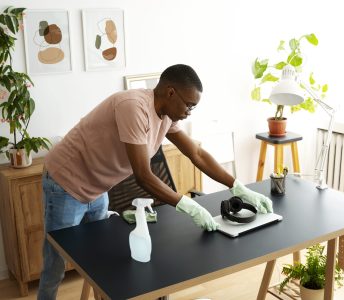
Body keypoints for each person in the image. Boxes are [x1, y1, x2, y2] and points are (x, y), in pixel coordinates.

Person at [37, 64, 273, 299]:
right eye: (189, 105)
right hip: (65, 183)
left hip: (99, 188)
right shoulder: (133, 107)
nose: (190, 111)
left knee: (100, 264)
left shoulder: (167, 116)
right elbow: (143, 174)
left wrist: (238, 187)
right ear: (171, 92)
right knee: (55, 264)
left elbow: (197, 154)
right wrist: (187, 205)